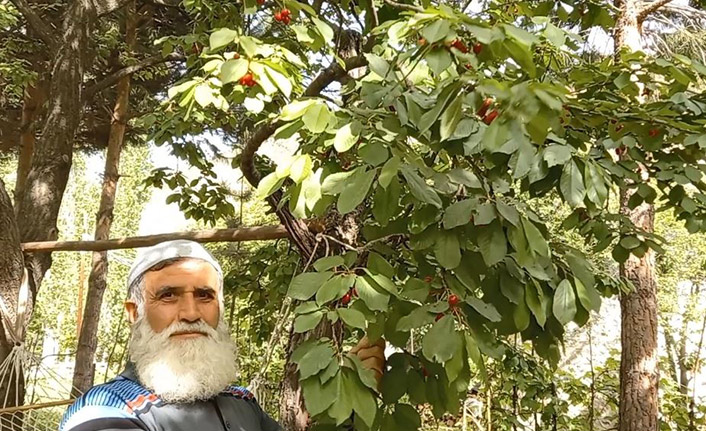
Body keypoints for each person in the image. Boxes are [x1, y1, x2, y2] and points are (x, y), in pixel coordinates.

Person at [60, 240, 385, 431]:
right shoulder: (105, 412)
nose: (190, 313)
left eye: (204, 296)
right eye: (169, 295)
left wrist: (351, 400)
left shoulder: (241, 403)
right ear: (135, 314)